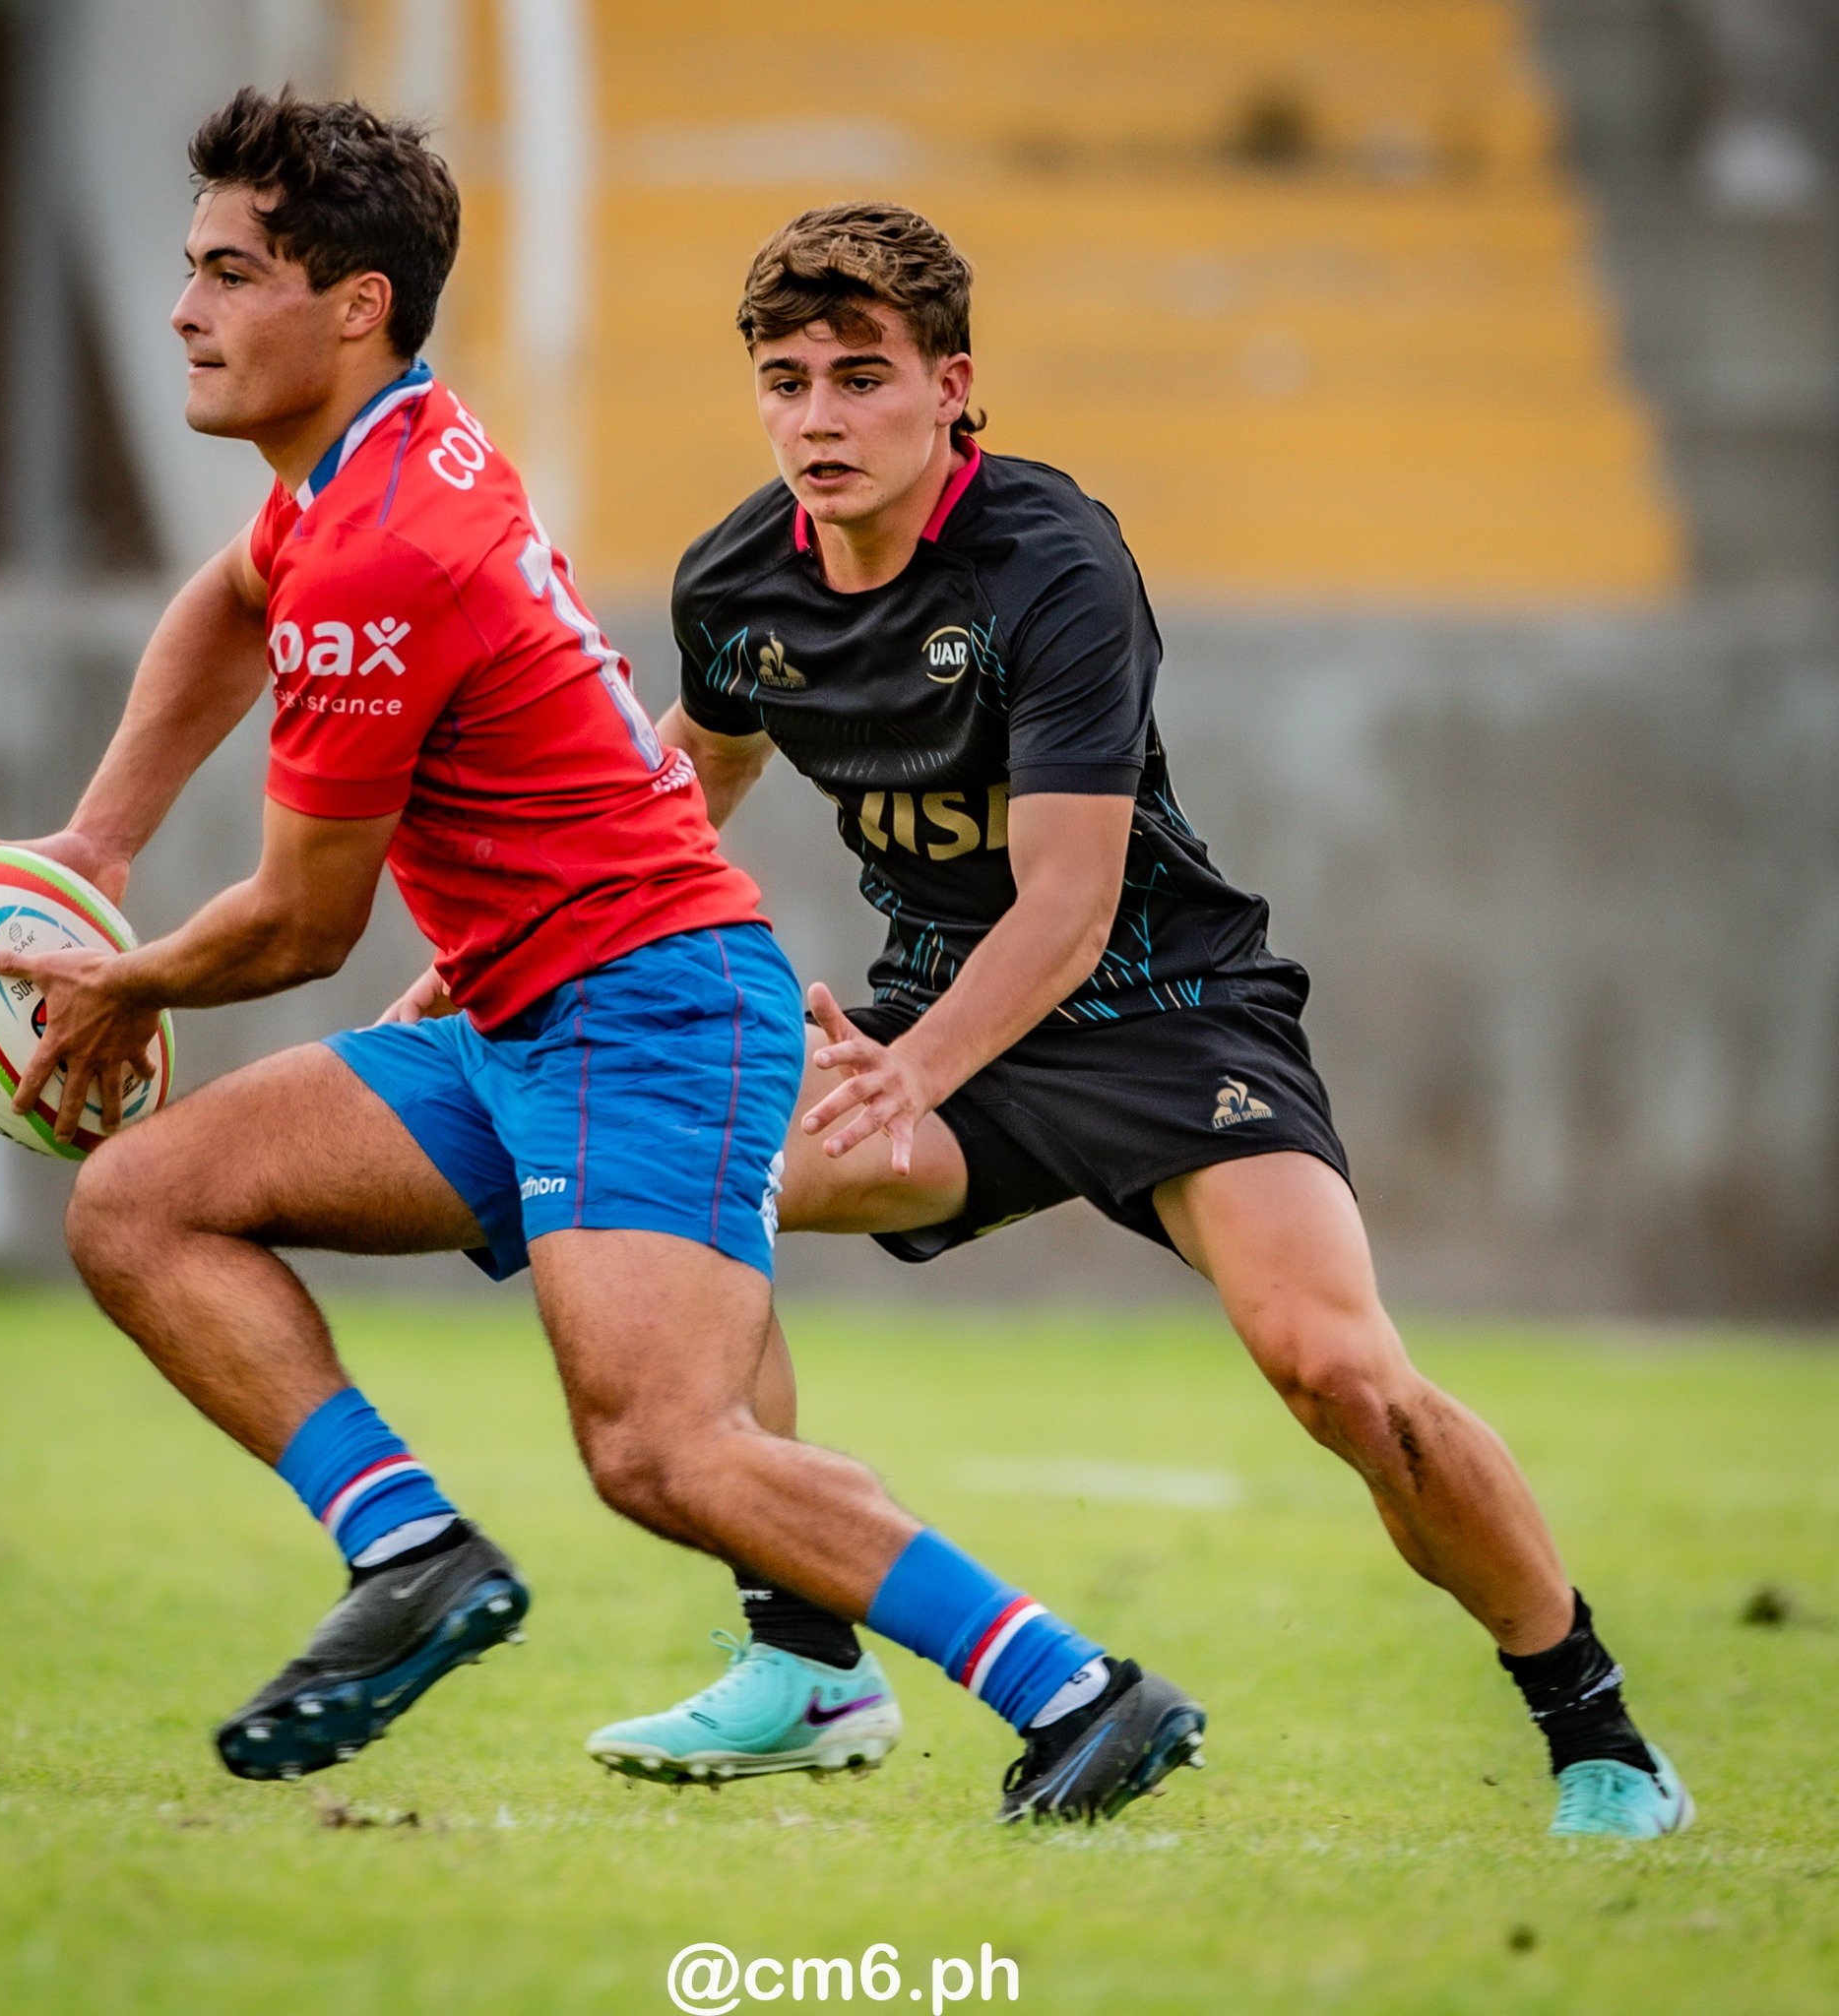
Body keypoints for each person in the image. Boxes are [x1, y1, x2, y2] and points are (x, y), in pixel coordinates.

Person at [0, 94, 1200, 1825]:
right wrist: (98, 847)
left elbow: (303, 926)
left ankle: (1079, 1691)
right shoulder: (375, 462)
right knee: (142, 1205)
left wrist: (130, 980)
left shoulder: (383, 548)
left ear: (357, 306)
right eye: (192, 270)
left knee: (663, 1450)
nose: (185, 310)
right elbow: (230, 597)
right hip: (521, 1014)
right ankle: (409, 1552)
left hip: (651, 1014)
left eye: (231, 274)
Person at [553, 202, 1691, 1840]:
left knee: (1340, 1376)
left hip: (1166, 1015)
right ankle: (803, 1659)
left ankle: (1599, 1735)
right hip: (943, 1024)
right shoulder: (738, 578)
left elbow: (1072, 905)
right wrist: (531, 927)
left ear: (952, 388)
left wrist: (908, 1073)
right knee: (689, 1184)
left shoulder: (1054, 561)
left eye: (861, 377)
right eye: (786, 381)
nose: (818, 417)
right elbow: (690, 780)